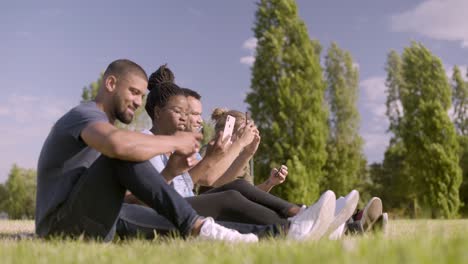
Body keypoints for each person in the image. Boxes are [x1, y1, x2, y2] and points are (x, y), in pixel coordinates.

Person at [35, 59, 259, 243]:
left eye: (141, 96)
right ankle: (197, 227)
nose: (138, 102)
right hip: (60, 225)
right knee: (122, 153)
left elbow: (122, 192)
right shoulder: (84, 114)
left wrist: (170, 170)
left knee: (170, 221)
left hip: (96, 216)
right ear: (111, 83)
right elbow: (118, 146)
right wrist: (175, 143)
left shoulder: (106, 127)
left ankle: (278, 231)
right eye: (133, 92)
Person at [128, 64, 358, 240]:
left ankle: (304, 216)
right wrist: (226, 150)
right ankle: (294, 227)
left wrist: (246, 153)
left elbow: (216, 180)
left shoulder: (180, 145)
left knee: (237, 186)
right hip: (166, 211)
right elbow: (193, 182)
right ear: (157, 113)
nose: (186, 118)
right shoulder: (145, 143)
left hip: (185, 202)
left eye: (187, 112)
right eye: (179, 111)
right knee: (230, 196)